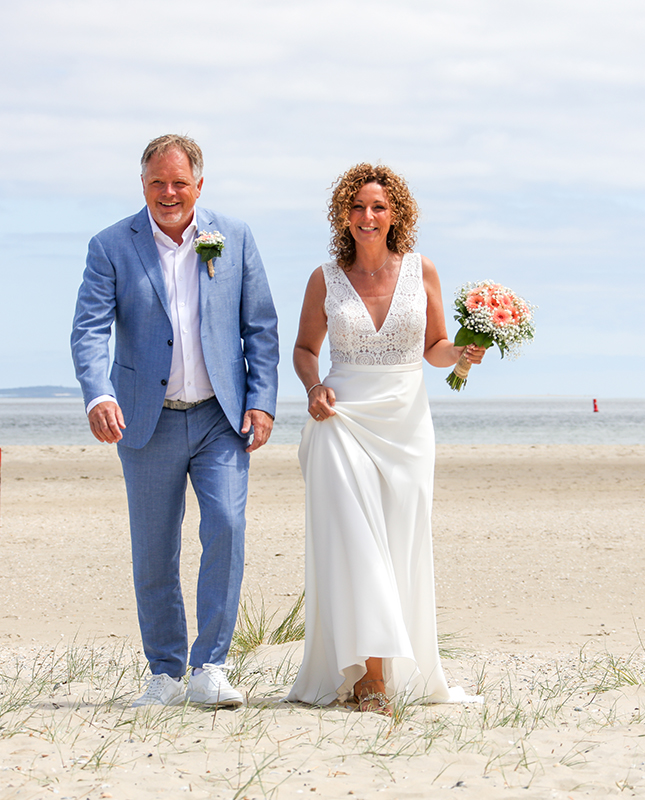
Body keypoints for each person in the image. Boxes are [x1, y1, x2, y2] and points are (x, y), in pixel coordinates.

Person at [71, 134, 279, 708]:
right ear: (142, 184)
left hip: (220, 418)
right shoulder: (111, 245)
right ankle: (164, 672)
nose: (169, 193)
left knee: (227, 529)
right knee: (155, 549)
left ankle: (211, 665)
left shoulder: (233, 238)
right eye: (158, 182)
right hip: (146, 421)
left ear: (199, 186)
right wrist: (97, 395)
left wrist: (261, 400)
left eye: (180, 183)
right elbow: (89, 329)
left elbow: (259, 326)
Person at [285, 163, 484, 714]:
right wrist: (314, 385)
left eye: (378, 207)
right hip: (340, 420)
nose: (367, 217)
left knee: (400, 544)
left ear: (395, 214)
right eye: (357, 207)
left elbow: (437, 346)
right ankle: (370, 678)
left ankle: (395, 667)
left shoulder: (423, 271)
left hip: (405, 423)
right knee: (357, 543)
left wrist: (464, 355)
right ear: (343, 216)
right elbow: (303, 350)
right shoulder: (325, 278)